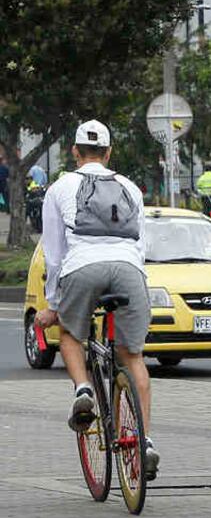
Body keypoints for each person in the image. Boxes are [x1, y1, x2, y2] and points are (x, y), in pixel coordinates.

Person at [33, 120, 161, 479]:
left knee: (72, 335)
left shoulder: (60, 188)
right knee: (132, 356)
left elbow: (54, 253)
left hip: (81, 267)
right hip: (129, 270)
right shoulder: (129, 187)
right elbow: (141, 245)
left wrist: (55, 305)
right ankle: (145, 441)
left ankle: (84, 388)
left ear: (74, 151)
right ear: (108, 153)